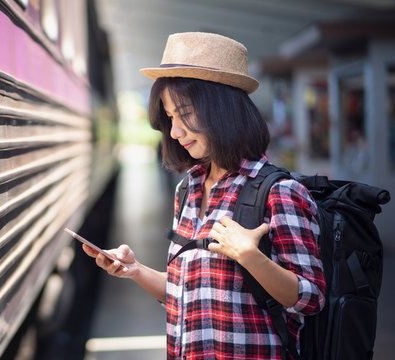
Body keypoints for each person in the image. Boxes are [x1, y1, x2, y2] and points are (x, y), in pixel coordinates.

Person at [82, 32, 325, 360]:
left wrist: (249, 255)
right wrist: (136, 270)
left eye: (184, 113)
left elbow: (310, 299)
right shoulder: (188, 189)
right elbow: (187, 295)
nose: (175, 131)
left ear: (223, 110)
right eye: (170, 117)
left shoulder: (279, 193)